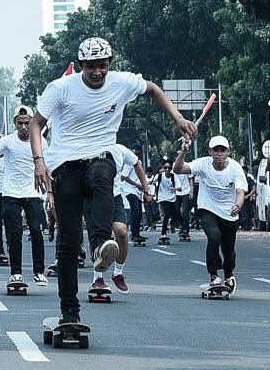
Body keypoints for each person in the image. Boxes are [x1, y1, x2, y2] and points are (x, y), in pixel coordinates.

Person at [31, 37, 197, 327]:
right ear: (81, 65)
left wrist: (178, 118)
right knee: (68, 242)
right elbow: (36, 124)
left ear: (110, 65)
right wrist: (39, 161)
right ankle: (69, 310)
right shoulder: (60, 88)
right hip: (65, 164)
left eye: (103, 67)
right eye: (91, 67)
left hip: (101, 155)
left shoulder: (122, 82)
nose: (97, 73)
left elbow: (154, 89)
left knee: (102, 175)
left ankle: (99, 246)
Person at [173, 134, 247, 295]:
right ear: (210, 152)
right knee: (214, 237)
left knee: (228, 249)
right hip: (208, 208)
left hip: (229, 212)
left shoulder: (235, 168)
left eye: (223, 150)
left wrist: (238, 205)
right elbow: (178, 169)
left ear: (228, 152)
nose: (219, 153)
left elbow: (240, 191)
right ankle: (213, 274)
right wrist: (183, 151)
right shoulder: (203, 164)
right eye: (216, 150)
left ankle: (228, 274)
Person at [0, 106, 48, 288]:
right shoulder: (7, 141)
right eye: (20, 123)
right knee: (14, 233)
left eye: (27, 123)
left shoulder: (41, 141)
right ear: (15, 123)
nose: (23, 126)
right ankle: (16, 273)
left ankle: (38, 271)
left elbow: (47, 166)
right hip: (11, 193)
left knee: (36, 231)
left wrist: (50, 194)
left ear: (32, 123)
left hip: (33, 193)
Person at [95, 142, 154, 293]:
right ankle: (98, 278)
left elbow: (137, 164)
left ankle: (118, 273)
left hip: (115, 196)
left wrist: (146, 188)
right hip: (94, 197)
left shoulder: (120, 149)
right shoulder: (90, 146)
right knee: (100, 237)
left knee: (121, 232)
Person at [154, 157, 178, 241]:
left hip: (171, 198)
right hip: (162, 197)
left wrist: (175, 189)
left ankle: (172, 224)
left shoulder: (174, 176)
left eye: (169, 168)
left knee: (175, 215)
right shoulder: (159, 176)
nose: (167, 169)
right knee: (167, 214)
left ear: (171, 168)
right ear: (163, 168)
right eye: (165, 167)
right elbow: (153, 183)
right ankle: (163, 233)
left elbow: (180, 187)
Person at [175, 162, 193, 240]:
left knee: (185, 211)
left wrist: (191, 191)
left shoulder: (187, 166)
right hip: (176, 192)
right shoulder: (174, 166)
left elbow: (190, 179)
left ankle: (186, 230)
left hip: (186, 191)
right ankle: (183, 226)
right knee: (176, 211)